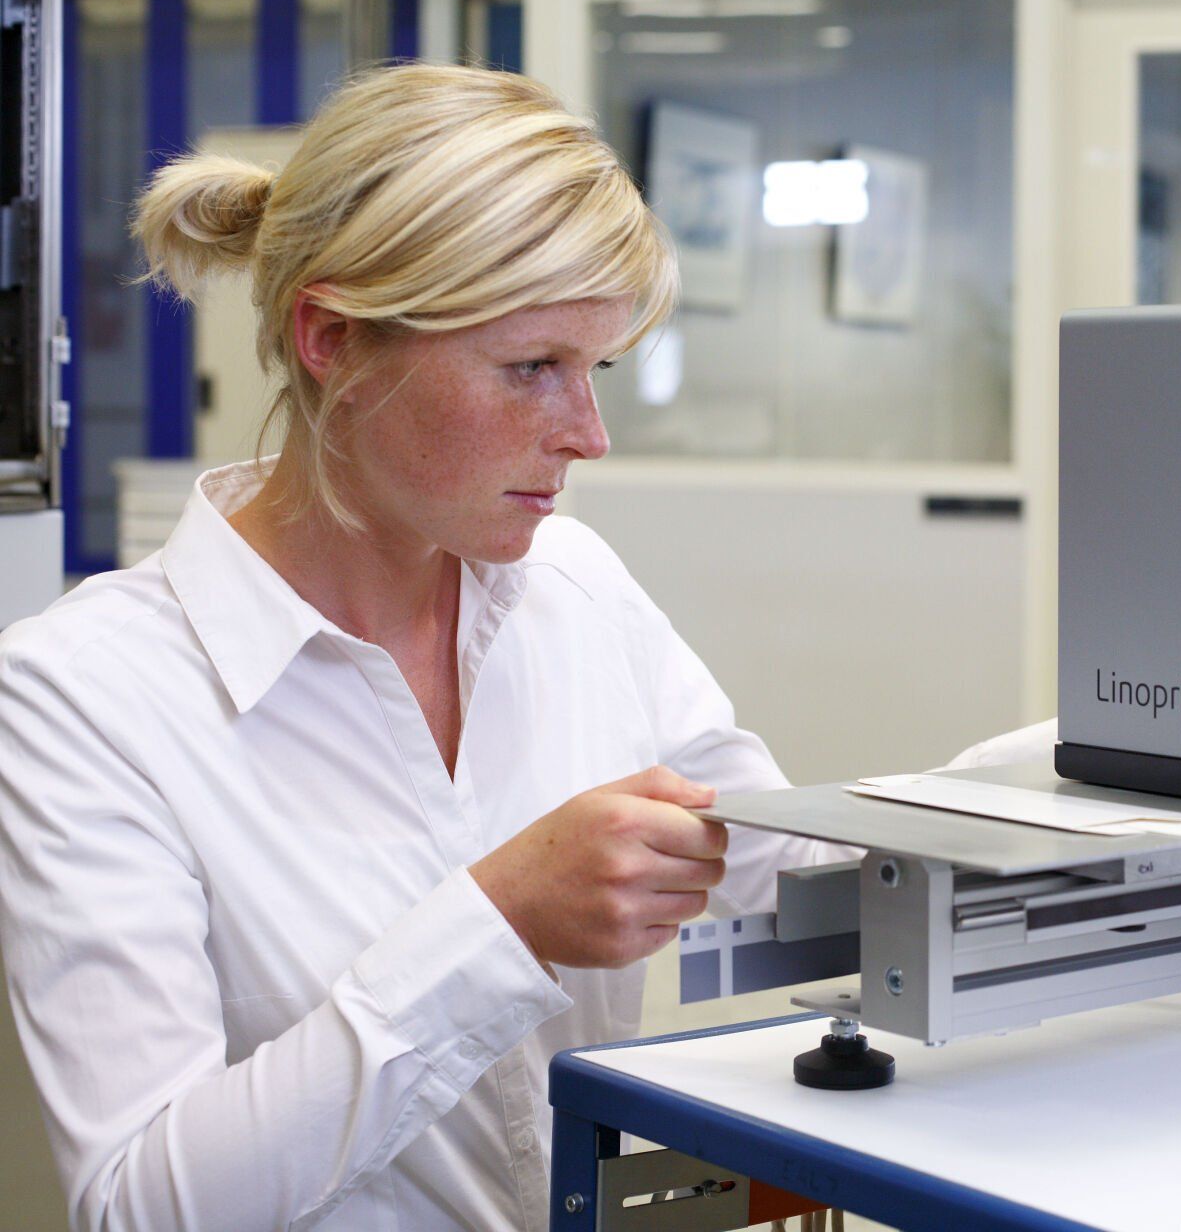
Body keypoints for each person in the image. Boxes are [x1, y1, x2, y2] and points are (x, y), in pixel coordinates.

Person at [0, 62, 1035, 1231]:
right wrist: (496, 923)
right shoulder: (87, 693)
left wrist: (1064, 783)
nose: (588, 433)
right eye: (533, 367)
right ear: (331, 337)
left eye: (596, 369)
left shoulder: (573, 588)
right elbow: (140, 1204)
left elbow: (785, 872)